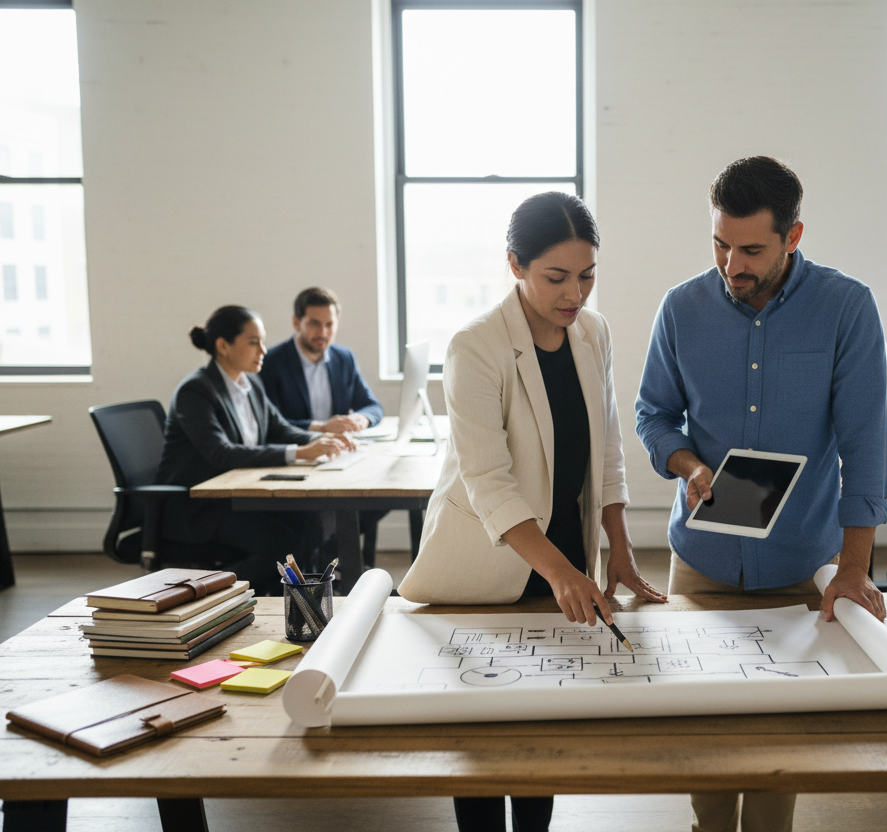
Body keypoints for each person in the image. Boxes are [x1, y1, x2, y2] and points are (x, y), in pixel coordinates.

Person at [634, 156, 887, 832]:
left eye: (751, 249)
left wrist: (855, 567)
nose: (731, 264)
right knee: (705, 740)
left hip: (801, 565)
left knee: (783, 749)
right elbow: (652, 414)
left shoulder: (846, 307)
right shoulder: (681, 308)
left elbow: (866, 443)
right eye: (720, 243)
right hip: (704, 562)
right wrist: (687, 464)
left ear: (793, 237)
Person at [397, 191, 667, 832]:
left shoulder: (593, 332)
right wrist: (560, 573)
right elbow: (489, 482)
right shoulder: (476, 347)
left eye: (587, 276)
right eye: (556, 278)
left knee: (544, 726)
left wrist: (618, 549)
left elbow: (608, 448)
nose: (574, 294)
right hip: (490, 562)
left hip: (564, 554)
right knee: (486, 736)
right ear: (515, 264)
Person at [156, 305, 354, 595]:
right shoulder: (196, 391)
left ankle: (306, 601)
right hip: (199, 508)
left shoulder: (250, 384)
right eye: (253, 342)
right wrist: (300, 453)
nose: (263, 349)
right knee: (278, 542)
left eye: (262, 340)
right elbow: (222, 453)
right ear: (223, 346)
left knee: (310, 522)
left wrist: (321, 440)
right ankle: (203, 596)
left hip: (238, 497)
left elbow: (281, 429)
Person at [259, 287, 389, 568]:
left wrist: (360, 419)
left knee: (383, 493)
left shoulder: (343, 358)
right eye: (315, 323)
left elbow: (373, 406)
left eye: (330, 324)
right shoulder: (271, 363)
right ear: (297, 323)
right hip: (300, 457)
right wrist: (321, 426)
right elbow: (269, 424)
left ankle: (329, 553)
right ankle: (330, 558)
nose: (323, 332)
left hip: (337, 454)